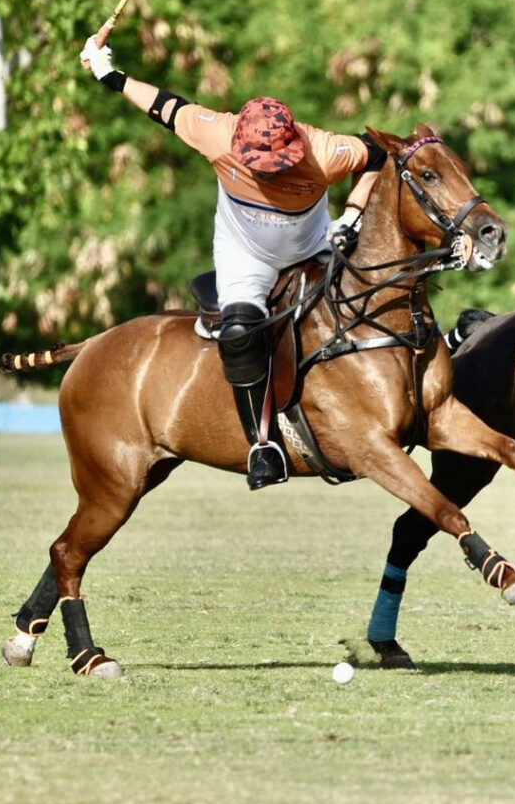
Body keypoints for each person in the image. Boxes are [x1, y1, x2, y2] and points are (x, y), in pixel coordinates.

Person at [80, 36, 386, 490]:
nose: (267, 169)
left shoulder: (324, 150)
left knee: (377, 290)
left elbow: (378, 154)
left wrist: (354, 214)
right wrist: (109, 75)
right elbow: (164, 106)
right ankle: (263, 444)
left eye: (277, 160)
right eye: (258, 162)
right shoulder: (216, 131)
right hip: (246, 255)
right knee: (240, 331)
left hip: (316, 247)